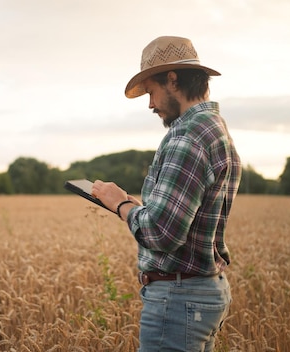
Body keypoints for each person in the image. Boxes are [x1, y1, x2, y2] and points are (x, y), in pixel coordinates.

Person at [91, 36, 242, 351]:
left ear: (172, 80)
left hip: (178, 298)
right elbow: (179, 219)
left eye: (151, 91)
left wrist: (119, 204)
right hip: (199, 294)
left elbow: (161, 233)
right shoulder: (214, 127)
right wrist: (136, 206)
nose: (149, 104)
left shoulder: (188, 136)